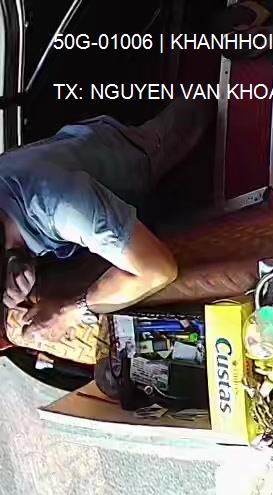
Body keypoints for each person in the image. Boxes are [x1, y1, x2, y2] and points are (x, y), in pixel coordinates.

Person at [1, 100, 211, 337]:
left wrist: (67, 312)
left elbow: (158, 269)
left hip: (130, 158)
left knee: (190, 121)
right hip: (72, 152)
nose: (10, 301)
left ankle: (214, 93)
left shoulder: (63, 208)